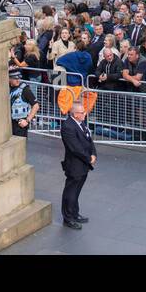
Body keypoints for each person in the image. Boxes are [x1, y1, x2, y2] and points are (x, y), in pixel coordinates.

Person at [60, 99, 95, 230]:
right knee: (71, 191)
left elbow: (88, 139)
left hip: (83, 164)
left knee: (77, 191)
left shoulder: (81, 123)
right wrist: (88, 158)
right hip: (75, 165)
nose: (85, 114)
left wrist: (93, 153)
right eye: (82, 112)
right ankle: (68, 217)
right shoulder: (68, 126)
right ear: (75, 114)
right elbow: (75, 148)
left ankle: (75, 213)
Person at [8, 68, 38, 138]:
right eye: (15, 78)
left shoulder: (25, 89)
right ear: (9, 79)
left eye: (19, 78)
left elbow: (36, 106)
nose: (18, 80)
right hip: (8, 123)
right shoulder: (6, 87)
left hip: (20, 124)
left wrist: (27, 120)